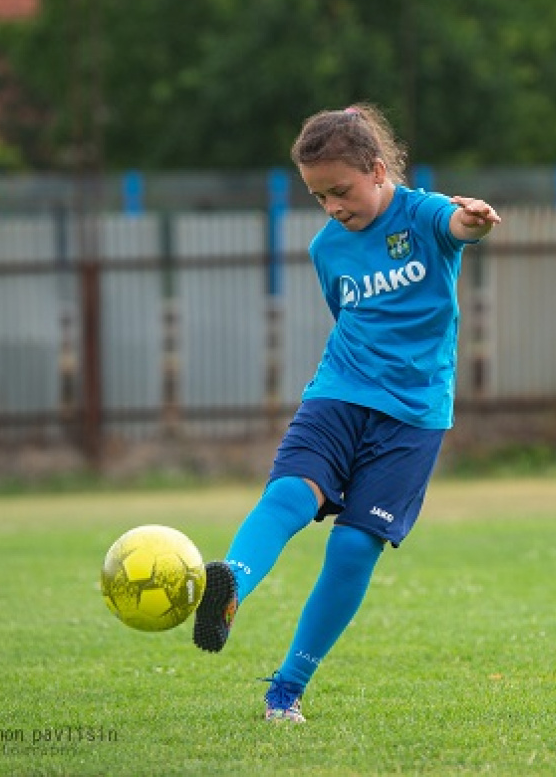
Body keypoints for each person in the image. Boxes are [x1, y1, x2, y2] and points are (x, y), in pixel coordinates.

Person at [193, 102, 501, 723]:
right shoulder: (326, 248)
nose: (333, 207)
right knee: (288, 495)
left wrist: (477, 222)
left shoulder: (422, 212)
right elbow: (348, 320)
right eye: (318, 197)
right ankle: (229, 584)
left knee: (356, 547)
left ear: (379, 170)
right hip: (338, 394)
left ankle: (287, 687)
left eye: (341, 190)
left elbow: (458, 230)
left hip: (414, 415)